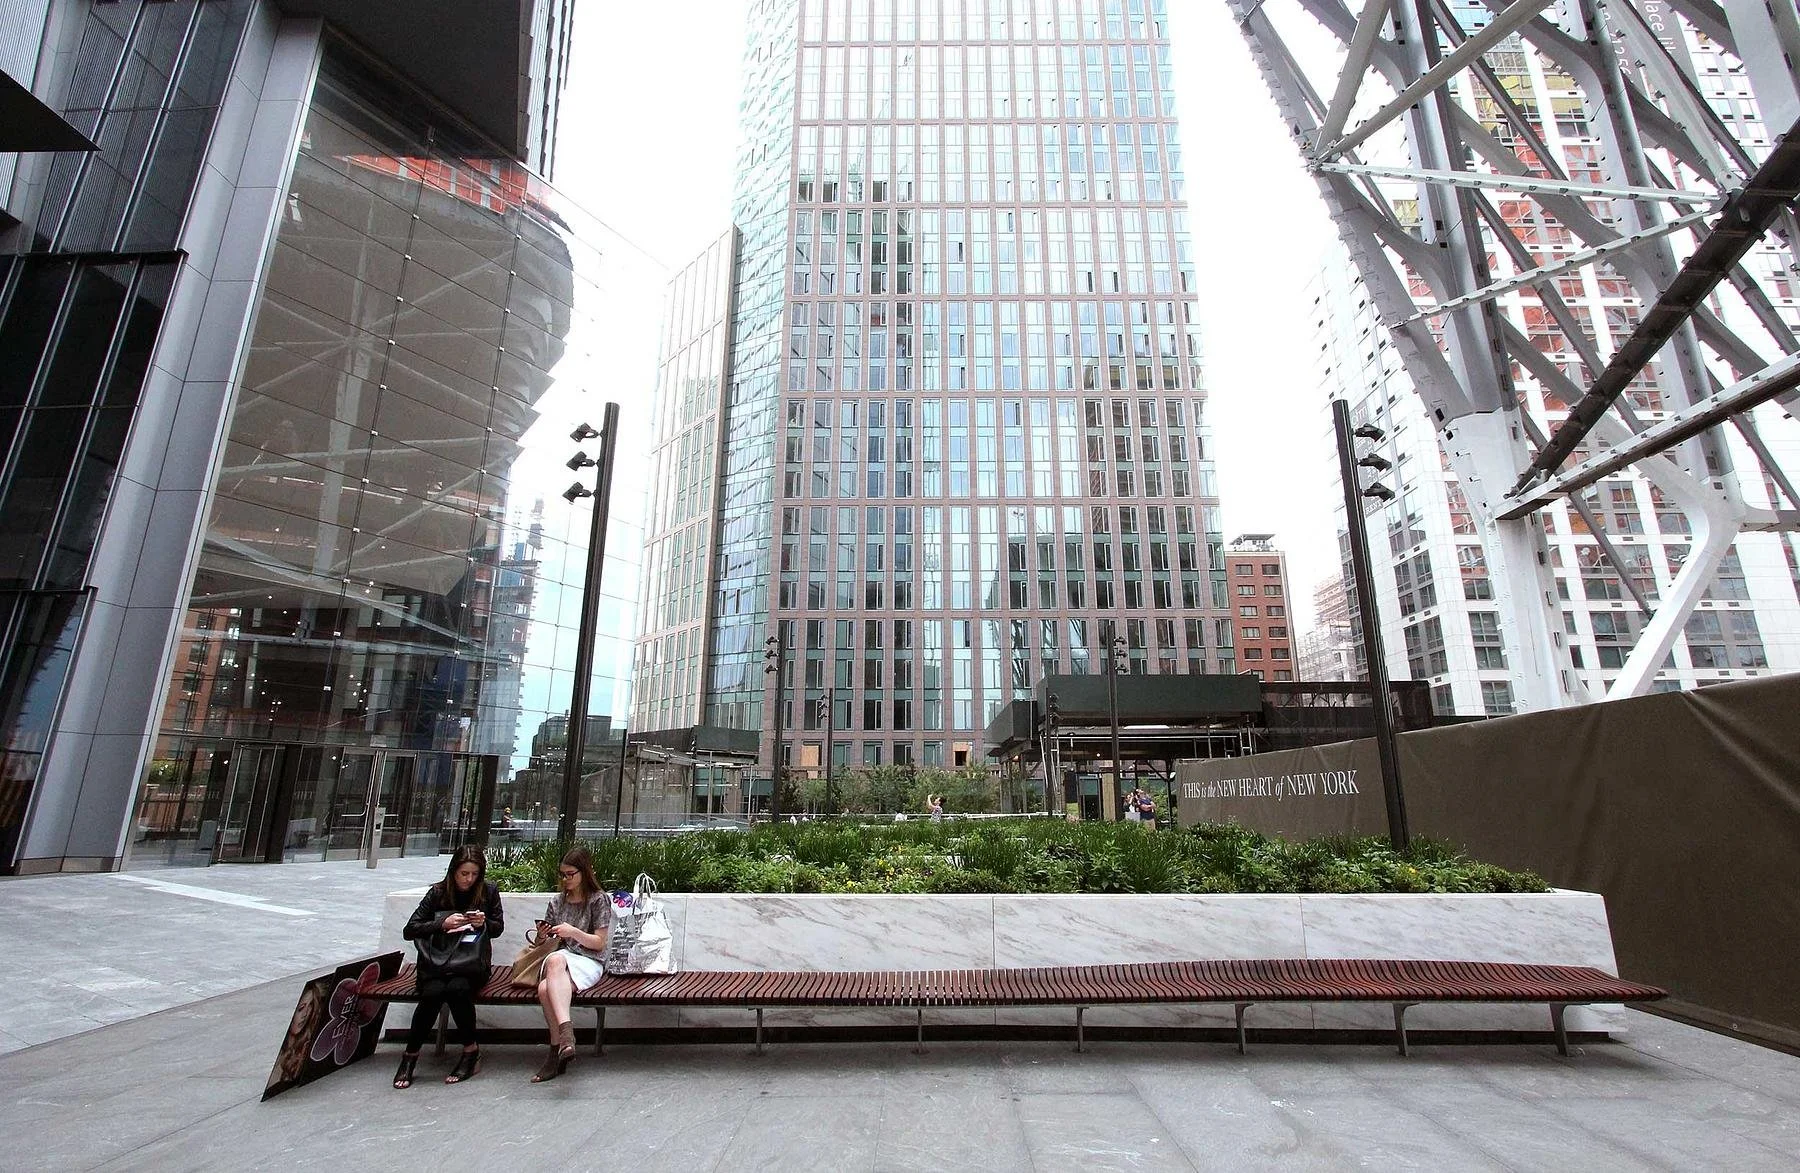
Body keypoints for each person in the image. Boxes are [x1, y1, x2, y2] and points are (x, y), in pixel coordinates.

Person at [395, 845, 504, 1089]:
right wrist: (442, 923)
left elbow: (498, 928)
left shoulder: (488, 892)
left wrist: (482, 922)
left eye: (474, 874)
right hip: (436, 964)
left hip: (470, 964)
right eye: (464, 873)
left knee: (458, 988)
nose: (469, 879)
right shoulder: (438, 893)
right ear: (453, 871)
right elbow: (410, 929)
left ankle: (470, 1050)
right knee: (432, 993)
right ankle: (410, 1056)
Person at [531, 846, 612, 1083]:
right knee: (551, 971)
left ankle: (557, 1046)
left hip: (588, 961)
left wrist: (573, 932)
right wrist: (542, 936)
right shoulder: (557, 902)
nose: (566, 879)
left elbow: (599, 943)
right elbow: (544, 945)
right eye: (563, 875)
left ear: (583, 873)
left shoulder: (598, 900)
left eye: (570, 874)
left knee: (547, 984)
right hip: (560, 958)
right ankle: (564, 1042)